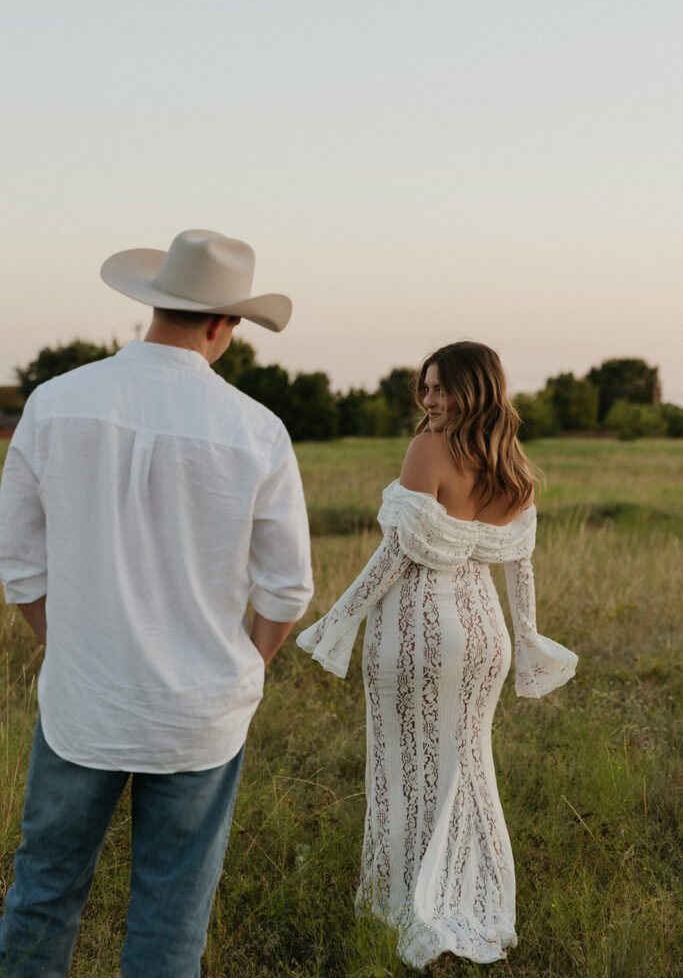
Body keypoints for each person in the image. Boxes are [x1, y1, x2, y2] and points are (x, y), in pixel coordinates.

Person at [0, 229, 313, 977]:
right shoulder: (256, 430)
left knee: (43, 892)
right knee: (172, 917)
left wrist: (69, 643)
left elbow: (18, 562)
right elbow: (286, 587)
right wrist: (244, 665)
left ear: (155, 305)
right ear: (220, 324)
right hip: (200, 715)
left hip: (83, 701)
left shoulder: (54, 402)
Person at [297, 340, 578, 970]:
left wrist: (338, 619)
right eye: (425, 388)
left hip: (420, 633)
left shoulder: (429, 448)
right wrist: (526, 635)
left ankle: (407, 906)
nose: (430, 400)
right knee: (469, 768)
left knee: (406, 769)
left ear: (474, 389)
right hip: (485, 638)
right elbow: (519, 565)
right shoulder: (515, 467)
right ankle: (475, 899)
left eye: (443, 388)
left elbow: (396, 553)